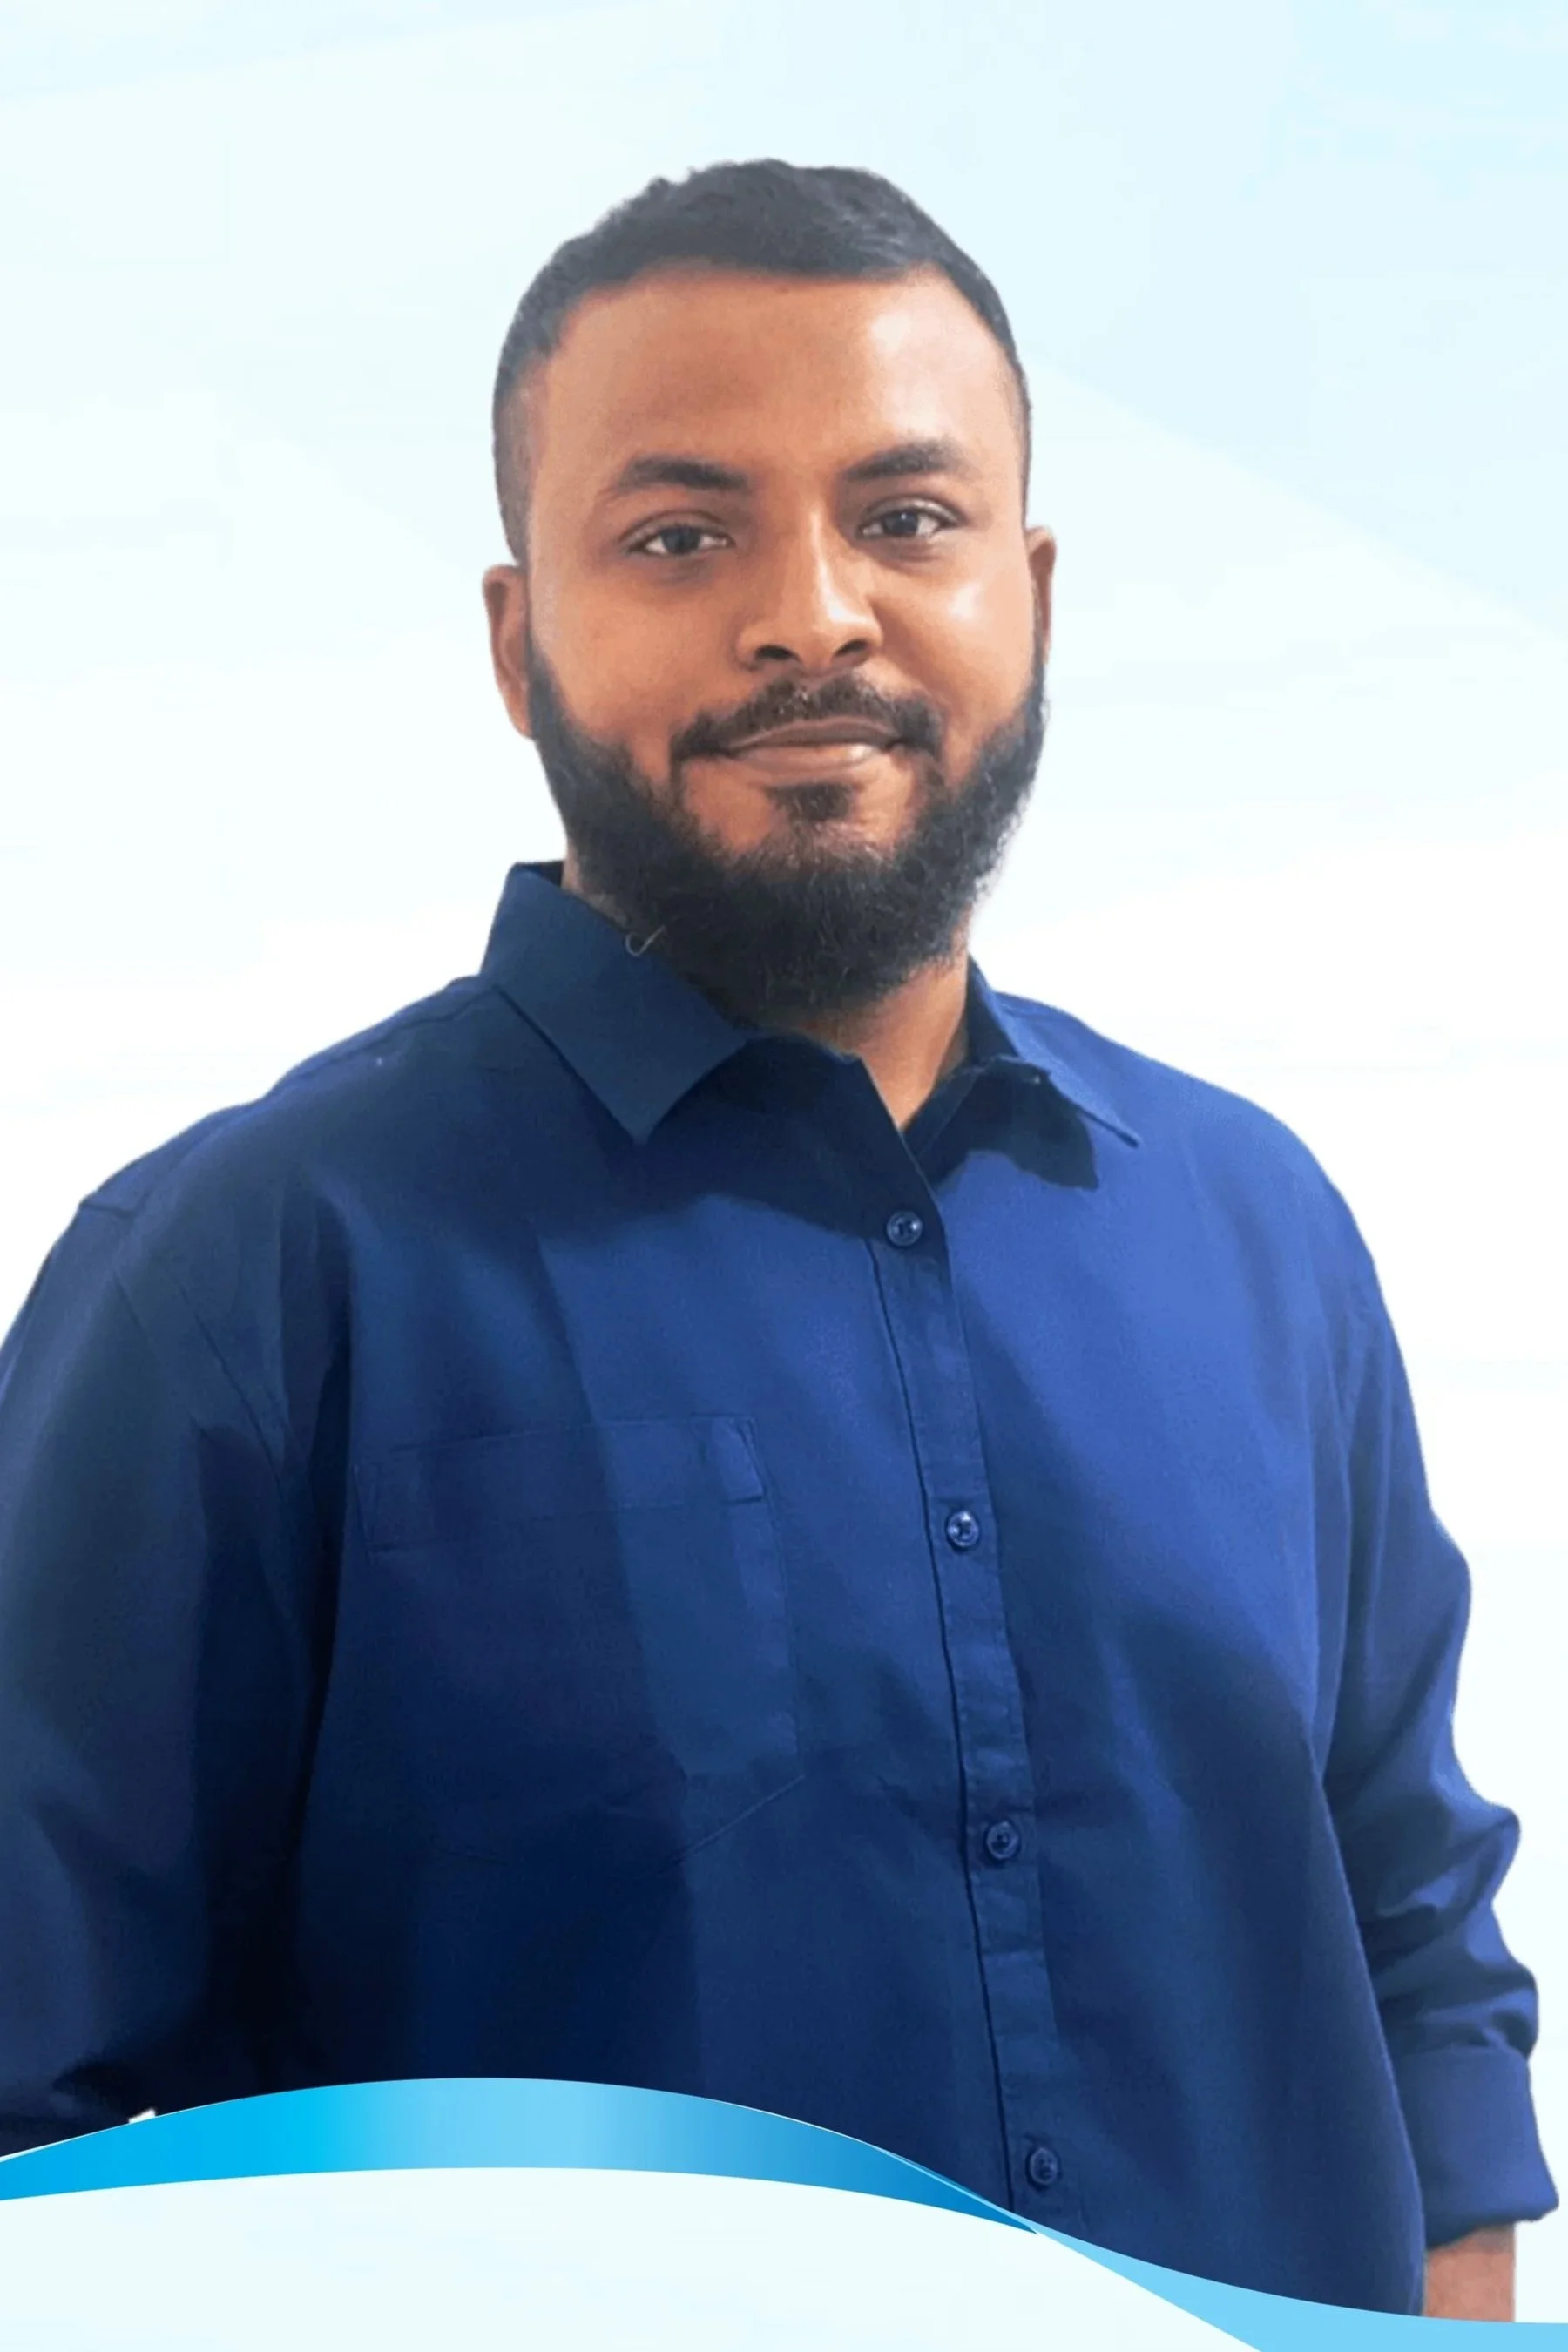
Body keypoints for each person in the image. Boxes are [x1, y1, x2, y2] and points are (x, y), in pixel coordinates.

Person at [0, 159, 1554, 2319]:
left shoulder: (1257, 1229)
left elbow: (1412, 1946)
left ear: (1030, 590)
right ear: (516, 632)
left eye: (906, 520)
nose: (810, 611)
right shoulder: (240, 1280)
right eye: (678, 533)